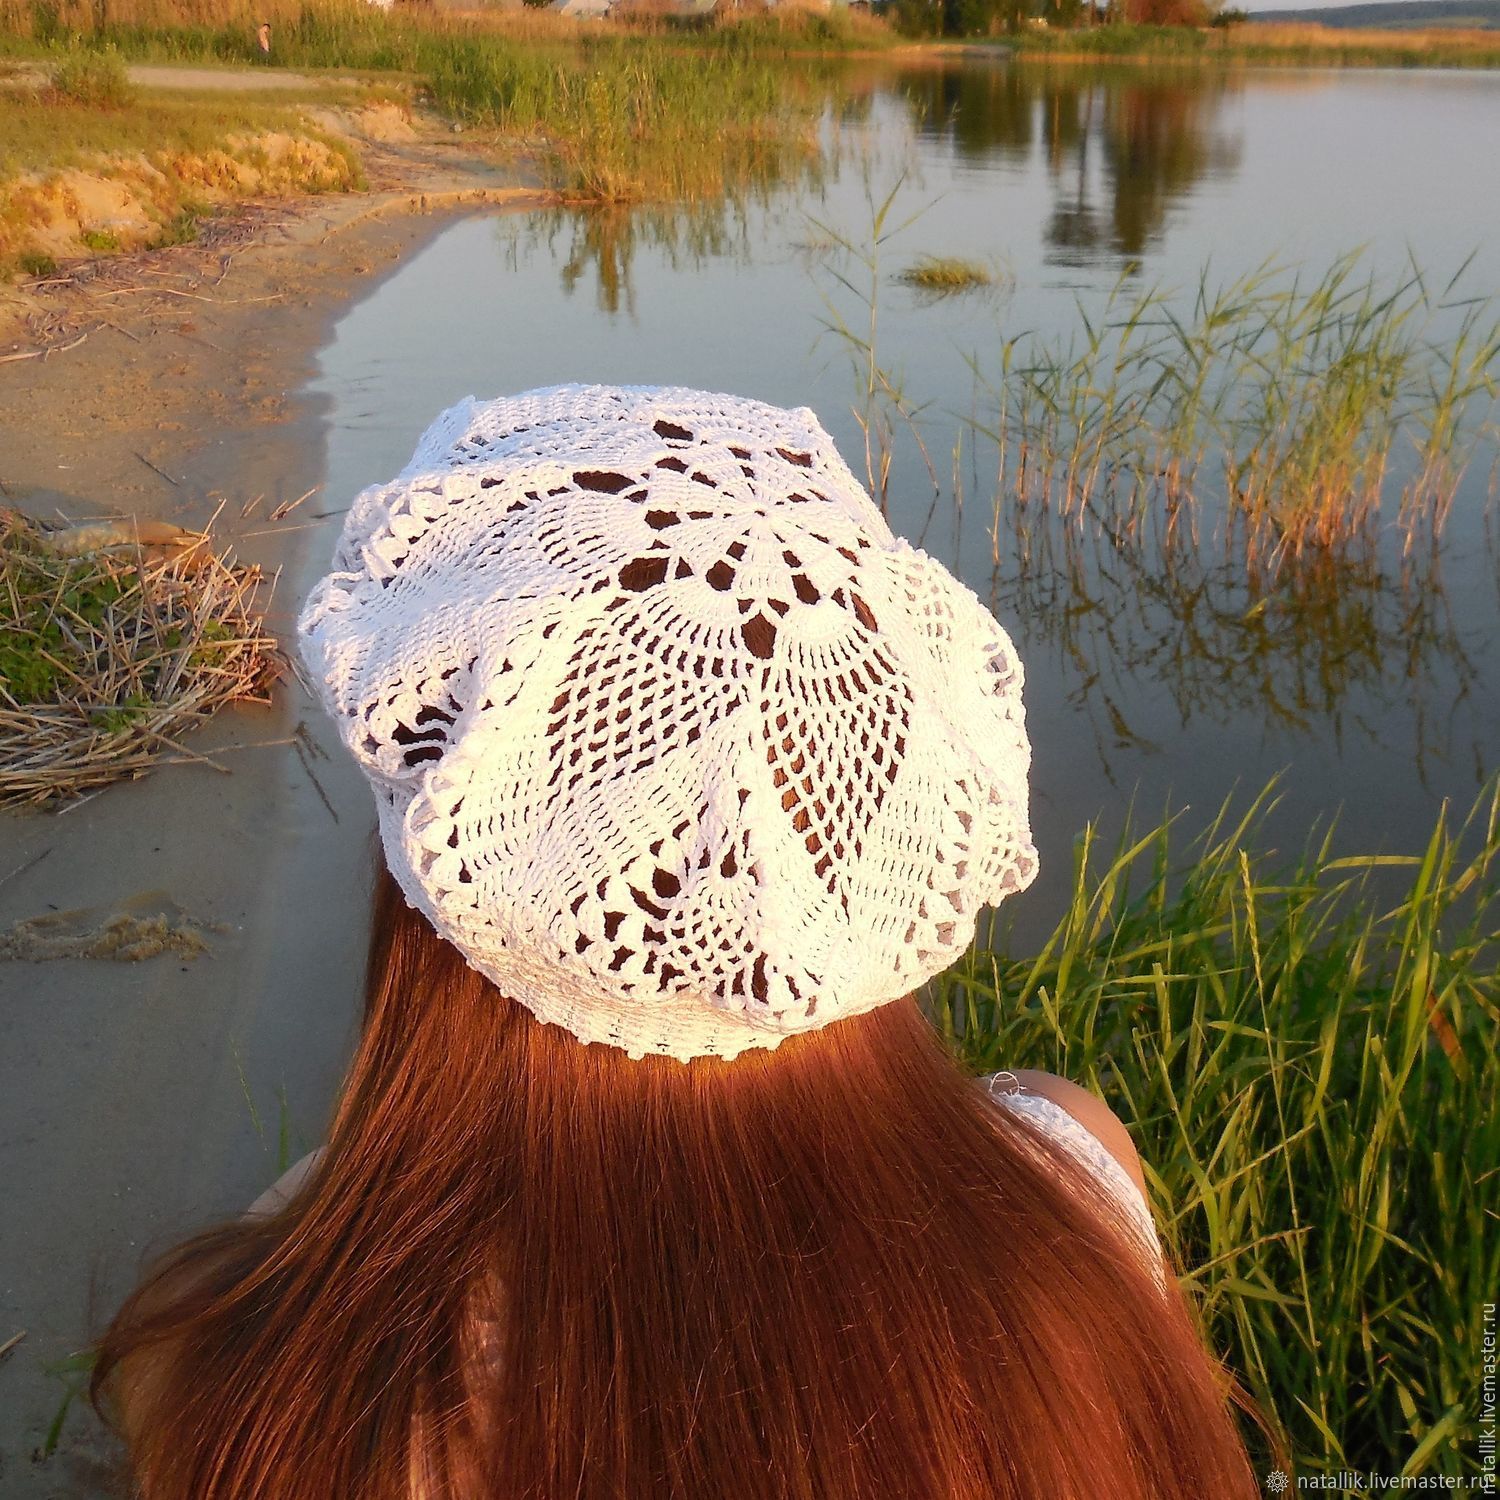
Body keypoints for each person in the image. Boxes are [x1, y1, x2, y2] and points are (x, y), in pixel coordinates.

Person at [92, 385, 1270, 1498]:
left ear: (448, 851)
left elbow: (322, 1228)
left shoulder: (254, 1374)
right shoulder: (1076, 1185)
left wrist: (368, 1184)